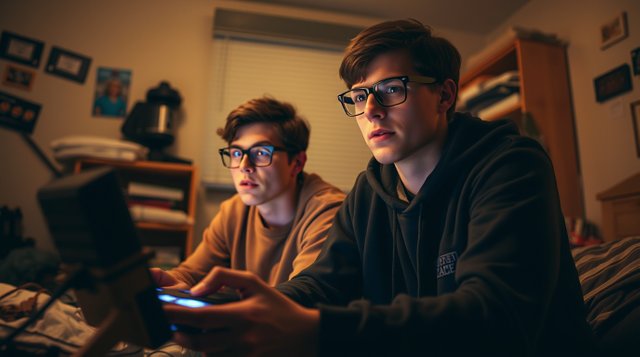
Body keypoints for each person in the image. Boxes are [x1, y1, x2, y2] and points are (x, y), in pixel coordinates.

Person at [163, 19, 597, 356]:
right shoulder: (370, 191)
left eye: (391, 89)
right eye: (358, 95)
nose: (370, 110)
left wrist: (319, 331)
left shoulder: (510, 165)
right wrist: (242, 306)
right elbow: (322, 285)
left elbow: (494, 319)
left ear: (445, 96)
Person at [151, 97, 345, 288]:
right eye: (236, 153)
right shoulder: (234, 211)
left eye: (260, 152)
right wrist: (166, 280)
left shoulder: (328, 212)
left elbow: (303, 295)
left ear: (297, 163)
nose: (244, 166)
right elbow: (190, 274)